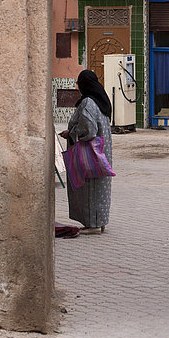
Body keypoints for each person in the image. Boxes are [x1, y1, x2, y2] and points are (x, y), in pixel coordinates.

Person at [59, 70, 113, 235]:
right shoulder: (101, 100)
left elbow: (88, 130)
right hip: (101, 153)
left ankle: (93, 224)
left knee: (89, 187)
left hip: (90, 154)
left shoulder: (88, 102)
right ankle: (99, 222)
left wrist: (71, 133)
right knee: (99, 187)